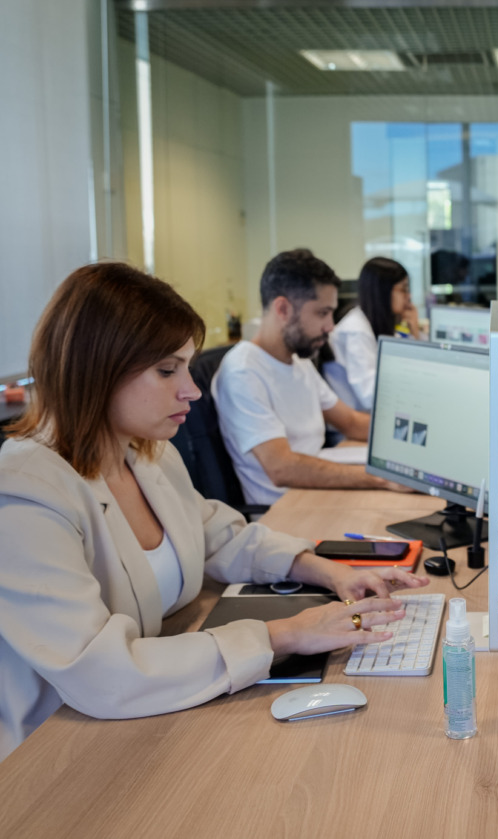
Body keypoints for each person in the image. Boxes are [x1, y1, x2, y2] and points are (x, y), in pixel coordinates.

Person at [0, 263, 428, 762]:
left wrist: (329, 571)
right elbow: (100, 671)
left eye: (187, 367)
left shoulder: (142, 453)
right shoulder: (25, 494)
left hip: (152, 705)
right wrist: (289, 633)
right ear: (97, 368)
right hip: (55, 747)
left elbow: (218, 534)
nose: (192, 390)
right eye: (167, 371)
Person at [213, 249, 401, 505]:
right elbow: (282, 467)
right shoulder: (243, 371)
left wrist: (410, 436)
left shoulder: (299, 361)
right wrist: (382, 478)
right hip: (287, 508)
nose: (330, 326)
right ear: (283, 309)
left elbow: (350, 422)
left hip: (317, 491)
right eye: (322, 313)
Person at [328, 257, 418, 410]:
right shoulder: (356, 331)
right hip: (358, 420)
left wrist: (414, 331)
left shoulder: (372, 323)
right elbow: (370, 396)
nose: (408, 297)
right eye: (403, 289)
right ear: (383, 291)